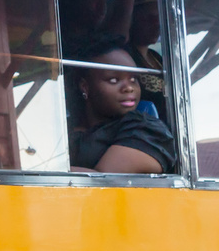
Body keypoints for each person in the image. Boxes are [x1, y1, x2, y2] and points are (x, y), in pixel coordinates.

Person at [67, 32, 175, 174]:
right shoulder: (64, 128)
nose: (129, 88)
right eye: (113, 80)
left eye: (133, 79)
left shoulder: (146, 130)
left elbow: (104, 182)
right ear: (85, 87)